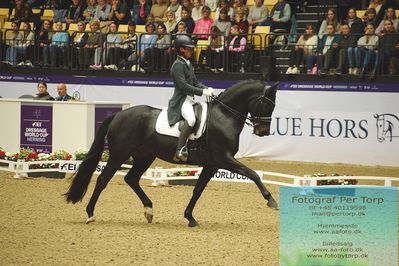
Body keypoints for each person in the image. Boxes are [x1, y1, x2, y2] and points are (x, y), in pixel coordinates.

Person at [167, 35, 214, 162]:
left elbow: (194, 82)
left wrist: (206, 88)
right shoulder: (177, 65)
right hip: (181, 100)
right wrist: (201, 92)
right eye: (189, 49)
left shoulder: (187, 63)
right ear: (181, 49)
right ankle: (179, 149)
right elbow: (183, 86)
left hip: (190, 99)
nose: (192, 51)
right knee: (191, 120)